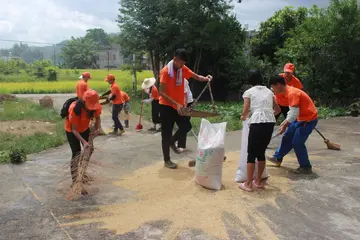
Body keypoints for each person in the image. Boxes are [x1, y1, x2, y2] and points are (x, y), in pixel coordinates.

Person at [159, 48, 212, 169]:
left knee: (186, 126)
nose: (182, 65)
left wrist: (205, 78)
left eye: (184, 63)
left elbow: (195, 76)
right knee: (166, 133)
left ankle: (172, 141)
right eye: (181, 62)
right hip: (166, 106)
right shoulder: (166, 71)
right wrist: (176, 104)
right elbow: (161, 92)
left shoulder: (182, 69)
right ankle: (167, 160)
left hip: (178, 105)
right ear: (175, 59)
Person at [238, 70, 281, 192]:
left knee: (251, 154)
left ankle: (248, 184)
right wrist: (267, 114)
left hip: (257, 122)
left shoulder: (249, 92)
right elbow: (277, 110)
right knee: (261, 152)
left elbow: (245, 112)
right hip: (270, 122)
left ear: (250, 80)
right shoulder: (269, 91)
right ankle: (257, 181)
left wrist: (243, 117)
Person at [268, 75, 318, 174]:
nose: (272, 90)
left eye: (273, 87)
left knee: (297, 142)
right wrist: (285, 123)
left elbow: (294, 113)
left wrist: (285, 124)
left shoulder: (292, 93)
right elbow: (292, 112)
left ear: (278, 85)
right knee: (287, 136)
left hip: (308, 120)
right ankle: (277, 158)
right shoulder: (287, 92)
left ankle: (306, 167)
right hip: (300, 118)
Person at [64, 89, 102, 184]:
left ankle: (82, 173)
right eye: (90, 105)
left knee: (90, 149)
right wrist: (84, 142)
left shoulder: (95, 107)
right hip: (72, 131)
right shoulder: (75, 109)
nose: (91, 108)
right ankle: (75, 180)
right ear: (84, 101)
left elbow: (98, 117)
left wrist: (98, 128)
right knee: (76, 153)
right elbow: (74, 130)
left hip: (84, 128)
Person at [177, 78, 193, 152]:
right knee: (182, 124)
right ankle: (180, 142)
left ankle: (181, 145)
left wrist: (185, 109)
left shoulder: (182, 80)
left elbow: (185, 95)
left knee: (185, 124)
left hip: (187, 102)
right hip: (180, 102)